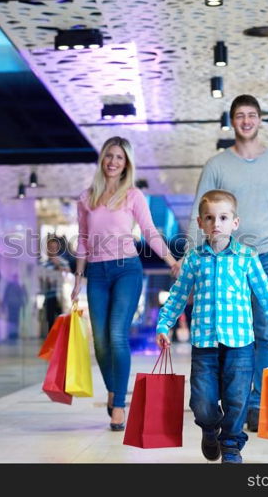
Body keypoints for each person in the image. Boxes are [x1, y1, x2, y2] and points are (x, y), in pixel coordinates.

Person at [185, 94, 268, 432]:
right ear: (232, 121)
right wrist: (190, 260)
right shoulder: (217, 165)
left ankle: (256, 404)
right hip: (228, 255)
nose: (246, 120)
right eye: (240, 115)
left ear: (259, 119)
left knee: (267, 329)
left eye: (252, 114)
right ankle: (236, 396)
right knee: (236, 332)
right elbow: (200, 210)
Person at [157, 190, 268, 464]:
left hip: (240, 344)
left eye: (223, 217)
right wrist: (164, 324)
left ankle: (230, 446)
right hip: (205, 345)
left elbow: (265, 294)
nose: (217, 223)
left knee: (237, 400)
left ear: (234, 223)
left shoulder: (246, 257)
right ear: (201, 223)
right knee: (202, 403)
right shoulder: (194, 259)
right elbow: (179, 295)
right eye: (210, 218)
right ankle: (209, 428)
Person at [71, 136, 179, 431]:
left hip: (126, 271)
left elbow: (150, 231)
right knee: (101, 343)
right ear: (102, 159)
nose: (113, 162)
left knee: (117, 335)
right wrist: (78, 278)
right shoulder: (86, 198)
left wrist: (171, 262)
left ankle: (118, 405)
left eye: (119, 158)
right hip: (96, 273)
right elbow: (82, 239)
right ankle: (113, 389)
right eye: (109, 156)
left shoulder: (133, 196)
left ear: (126, 163)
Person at [40, 235, 70, 337]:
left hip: (61, 296)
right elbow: (41, 281)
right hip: (49, 296)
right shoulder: (44, 265)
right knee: (50, 320)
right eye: (50, 248)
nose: (52, 250)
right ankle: (51, 342)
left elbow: (68, 277)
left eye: (54, 248)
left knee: (61, 320)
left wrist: (58, 266)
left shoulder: (63, 263)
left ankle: (60, 341)